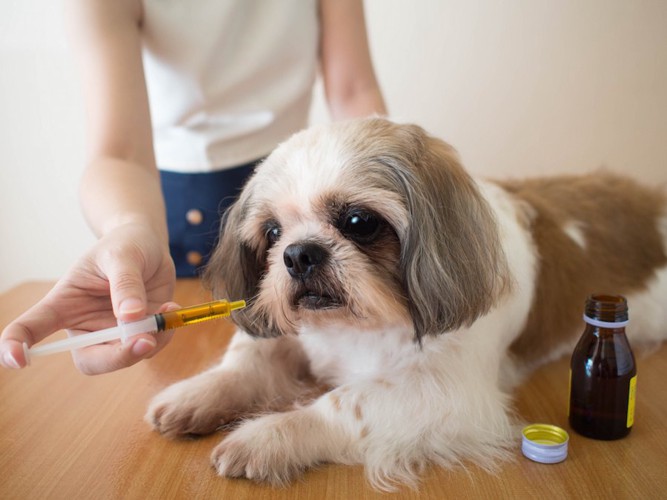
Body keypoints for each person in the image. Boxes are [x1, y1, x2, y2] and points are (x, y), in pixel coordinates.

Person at [0, 0, 386, 374]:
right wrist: (129, 229)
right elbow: (120, 152)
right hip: (176, 222)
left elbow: (354, 93)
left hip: (303, 193)